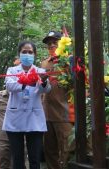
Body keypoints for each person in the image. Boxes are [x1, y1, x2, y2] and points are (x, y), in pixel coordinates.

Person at [2, 41, 51, 169]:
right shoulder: (12, 70)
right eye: (24, 52)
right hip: (15, 118)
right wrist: (27, 81)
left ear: (34, 54)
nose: (27, 54)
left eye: (30, 52)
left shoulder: (40, 71)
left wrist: (44, 81)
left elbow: (45, 90)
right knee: (17, 160)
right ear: (19, 54)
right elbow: (10, 86)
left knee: (35, 159)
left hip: (34, 118)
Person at [41, 31, 73, 169]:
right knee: (50, 152)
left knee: (67, 150)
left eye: (55, 42)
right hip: (46, 115)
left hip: (65, 113)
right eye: (49, 43)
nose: (52, 45)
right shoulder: (44, 64)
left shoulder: (70, 60)